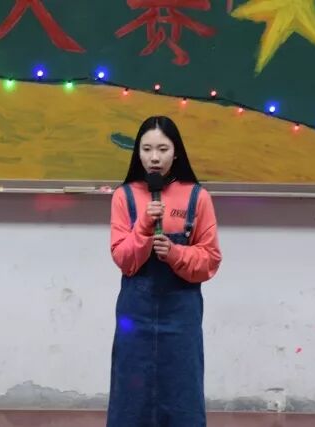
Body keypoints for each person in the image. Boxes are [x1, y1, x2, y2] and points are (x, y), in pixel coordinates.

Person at [107, 116, 222, 426]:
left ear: (176, 152)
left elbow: (210, 260)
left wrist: (175, 253)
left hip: (181, 315)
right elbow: (123, 259)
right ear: (137, 153)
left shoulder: (197, 197)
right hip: (135, 316)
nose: (154, 158)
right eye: (146, 149)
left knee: (182, 392)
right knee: (131, 395)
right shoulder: (124, 196)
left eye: (162, 149)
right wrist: (144, 225)